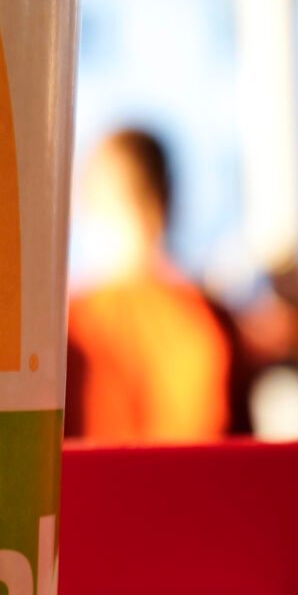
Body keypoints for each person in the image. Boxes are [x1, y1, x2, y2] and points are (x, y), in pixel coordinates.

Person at [65, 128, 237, 442]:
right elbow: (238, 466)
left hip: (88, 491)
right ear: (167, 203)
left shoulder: (64, 327)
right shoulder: (209, 322)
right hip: (192, 491)